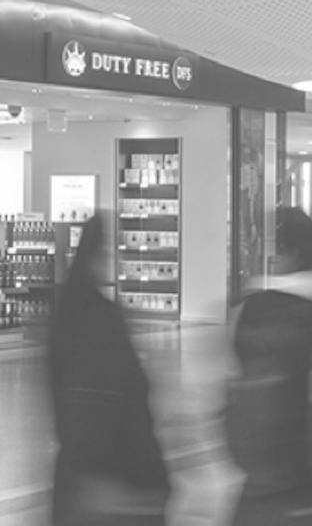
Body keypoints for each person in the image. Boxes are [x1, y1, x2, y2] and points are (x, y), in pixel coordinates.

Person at [225, 207, 312, 526]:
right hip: (301, 493)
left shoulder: (246, 311)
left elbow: (226, 397)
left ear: (283, 252)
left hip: (253, 492)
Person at [47, 211, 172, 526]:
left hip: (73, 478)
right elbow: (125, 394)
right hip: (112, 480)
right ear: (98, 255)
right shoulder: (104, 319)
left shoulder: (62, 315)